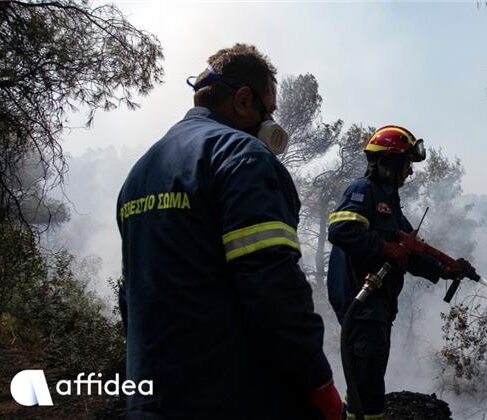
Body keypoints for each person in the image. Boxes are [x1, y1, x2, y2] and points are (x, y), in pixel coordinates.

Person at [117, 44, 341, 419]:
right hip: (230, 399)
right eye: (268, 111)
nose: (271, 123)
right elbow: (273, 289)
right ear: (242, 101)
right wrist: (319, 383)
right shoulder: (244, 157)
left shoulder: (138, 174)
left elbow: (132, 297)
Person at [326, 125, 474, 419]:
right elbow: (341, 230)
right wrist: (383, 247)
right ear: (389, 162)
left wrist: (445, 268)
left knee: (368, 382)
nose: (409, 173)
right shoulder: (363, 191)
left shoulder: (390, 206)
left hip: (377, 308)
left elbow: (413, 253)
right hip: (362, 305)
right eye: (406, 164)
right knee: (366, 389)